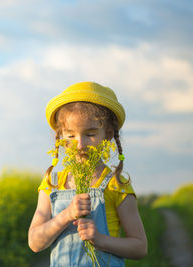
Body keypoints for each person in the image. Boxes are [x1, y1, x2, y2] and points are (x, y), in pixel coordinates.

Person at [28, 82, 147, 267]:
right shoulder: (52, 183)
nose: (80, 144)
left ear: (107, 135)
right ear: (60, 137)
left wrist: (100, 240)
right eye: (70, 136)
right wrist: (66, 215)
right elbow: (35, 243)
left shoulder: (116, 184)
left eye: (90, 134)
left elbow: (140, 247)